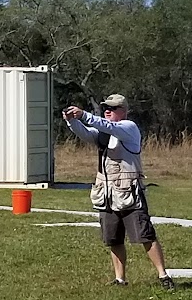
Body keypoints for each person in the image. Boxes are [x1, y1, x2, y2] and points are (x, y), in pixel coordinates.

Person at [63, 94, 174, 290]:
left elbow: (107, 126)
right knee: (113, 238)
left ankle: (163, 275)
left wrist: (83, 115)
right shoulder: (104, 132)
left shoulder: (128, 128)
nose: (108, 110)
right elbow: (86, 133)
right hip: (107, 194)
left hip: (130, 194)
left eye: (113, 108)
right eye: (106, 107)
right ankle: (120, 279)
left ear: (124, 111)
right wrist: (72, 121)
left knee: (145, 236)